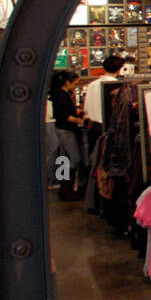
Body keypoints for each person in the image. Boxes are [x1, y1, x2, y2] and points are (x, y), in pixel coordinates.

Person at [50, 69, 88, 201]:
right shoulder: (62, 95)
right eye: (74, 83)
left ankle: (64, 188)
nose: (75, 86)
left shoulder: (60, 94)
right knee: (75, 158)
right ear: (67, 82)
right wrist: (81, 120)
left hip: (62, 129)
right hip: (66, 130)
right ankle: (67, 189)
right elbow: (65, 116)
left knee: (65, 158)